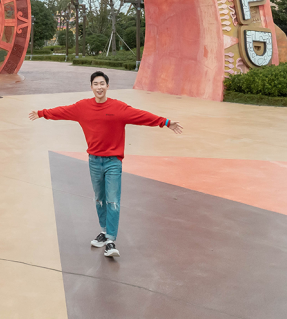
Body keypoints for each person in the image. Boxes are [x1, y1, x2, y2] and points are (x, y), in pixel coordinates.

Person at [28, 70, 182, 258]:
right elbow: (62, 111)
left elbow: (141, 116)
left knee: (113, 201)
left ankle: (110, 240)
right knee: (99, 199)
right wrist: (42, 113)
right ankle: (104, 231)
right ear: (91, 87)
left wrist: (165, 122)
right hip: (94, 161)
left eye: (102, 84)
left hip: (113, 162)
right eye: (96, 84)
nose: (99, 87)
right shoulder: (82, 107)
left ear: (107, 86)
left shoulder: (119, 108)